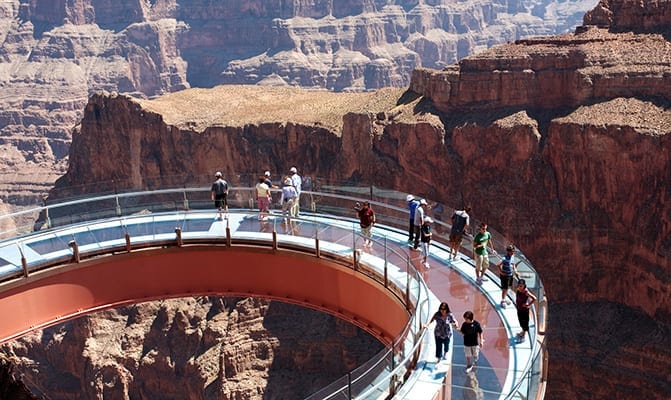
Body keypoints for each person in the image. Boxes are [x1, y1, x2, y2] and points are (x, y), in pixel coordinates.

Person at [515, 279, 537, 343]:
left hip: (524, 310)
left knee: (524, 322)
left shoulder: (526, 292)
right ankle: (522, 332)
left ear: (524, 285)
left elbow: (534, 298)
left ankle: (523, 336)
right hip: (519, 308)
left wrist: (528, 304)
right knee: (520, 321)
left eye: (521, 286)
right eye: (519, 285)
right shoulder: (518, 290)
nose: (520, 287)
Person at [497, 244, 519, 308]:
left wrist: (515, 270)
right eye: (512, 251)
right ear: (508, 251)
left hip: (510, 275)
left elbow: (513, 263)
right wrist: (501, 272)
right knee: (505, 288)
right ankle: (503, 300)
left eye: (513, 251)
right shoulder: (504, 258)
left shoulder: (512, 256)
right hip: (505, 276)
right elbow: (498, 264)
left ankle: (505, 298)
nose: (513, 252)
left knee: (508, 287)